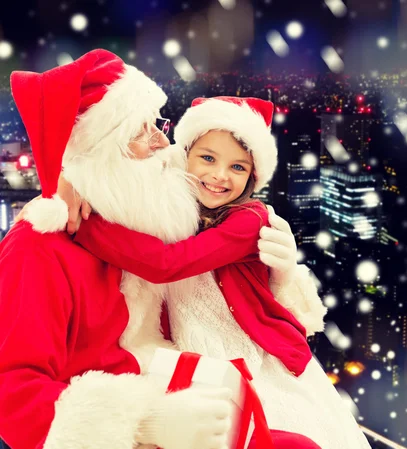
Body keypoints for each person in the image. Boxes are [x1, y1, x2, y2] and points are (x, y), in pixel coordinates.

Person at [0, 51, 318, 449]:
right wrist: (145, 425)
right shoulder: (39, 246)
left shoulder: (138, 227)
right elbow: (12, 397)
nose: (163, 143)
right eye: (141, 131)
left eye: (157, 125)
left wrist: (284, 279)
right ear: (102, 148)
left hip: (170, 385)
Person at [70, 96, 371, 449]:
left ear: (253, 177)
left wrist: (85, 226)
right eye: (208, 158)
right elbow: (128, 173)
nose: (219, 176)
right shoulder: (176, 206)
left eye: (238, 167)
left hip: (254, 360)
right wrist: (75, 183)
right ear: (184, 157)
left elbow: (168, 264)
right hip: (198, 360)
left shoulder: (249, 220)